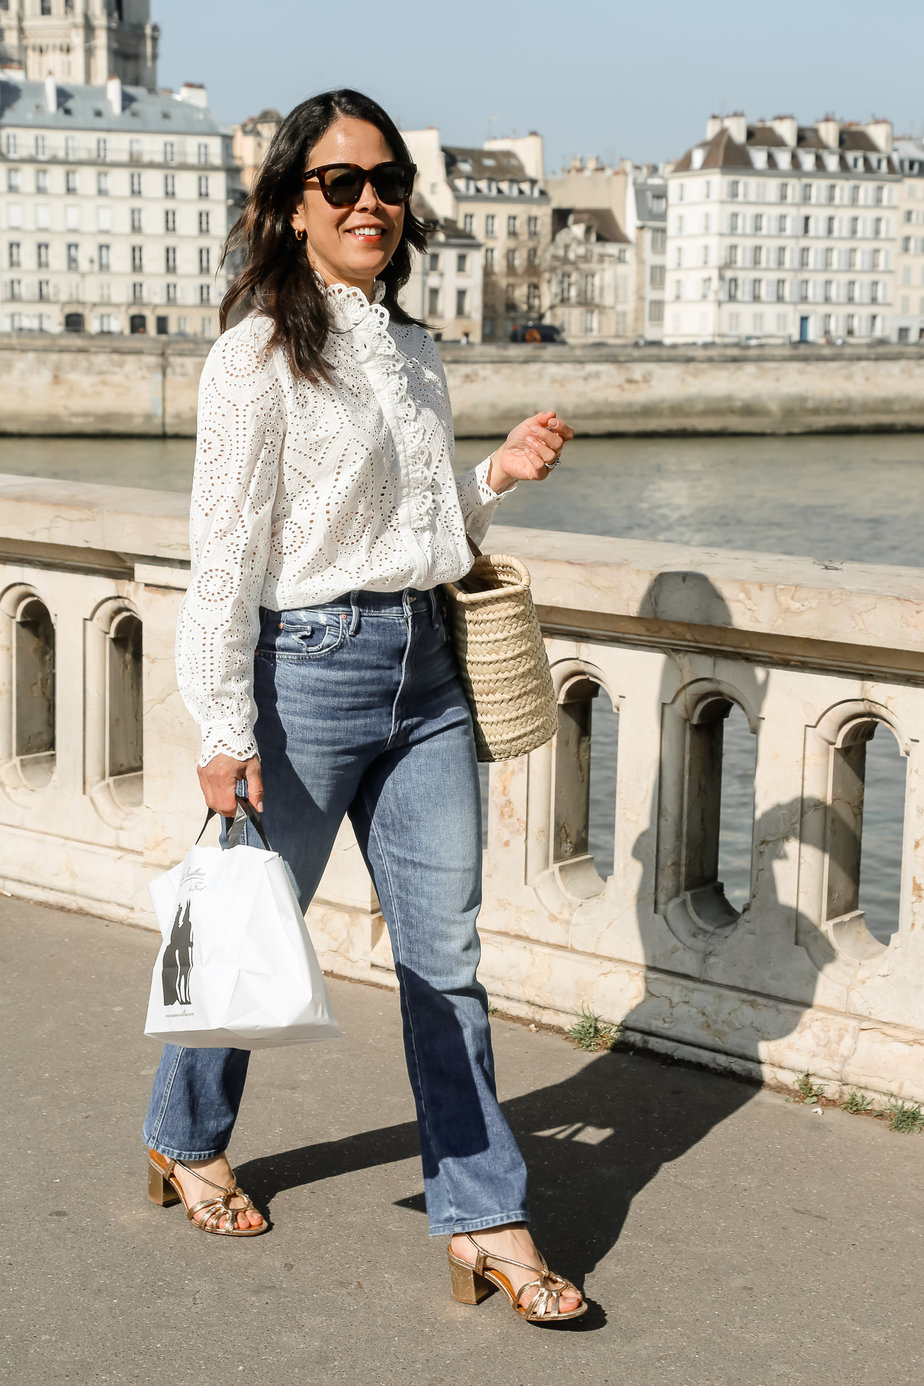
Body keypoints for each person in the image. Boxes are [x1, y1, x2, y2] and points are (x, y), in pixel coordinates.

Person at [143, 88, 584, 1324]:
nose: (370, 201)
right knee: (250, 926)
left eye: (387, 180)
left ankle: (485, 1215)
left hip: (426, 670)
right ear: (293, 205)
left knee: (447, 961)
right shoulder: (254, 359)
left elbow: (415, 526)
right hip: (306, 675)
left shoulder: (415, 351)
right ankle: (186, 1136)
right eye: (341, 182)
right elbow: (224, 558)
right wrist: (224, 727)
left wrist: (492, 476)